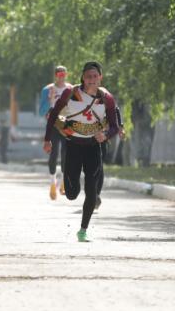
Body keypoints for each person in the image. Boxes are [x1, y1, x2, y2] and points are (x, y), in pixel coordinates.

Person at [44, 61, 118, 242]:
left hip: (93, 147)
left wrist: (106, 135)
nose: (92, 80)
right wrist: (47, 139)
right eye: (88, 77)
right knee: (71, 194)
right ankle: (70, 187)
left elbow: (115, 126)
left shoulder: (106, 98)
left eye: (95, 76)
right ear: (83, 78)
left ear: (100, 77)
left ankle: (83, 230)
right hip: (73, 146)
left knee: (92, 190)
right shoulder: (72, 93)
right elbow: (53, 114)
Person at [40, 65, 74, 200]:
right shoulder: (47, 89)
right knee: (53, 153)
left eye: (63, 74)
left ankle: (63, 183)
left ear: (66, 74)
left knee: (66, 154)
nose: (61, 76)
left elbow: (76, 106)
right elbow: (41, 111)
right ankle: (52, 183)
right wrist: (49, 100)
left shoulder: (71, 89)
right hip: (53, 124)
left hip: (66, 124)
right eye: (59, 74)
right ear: (55, 75)